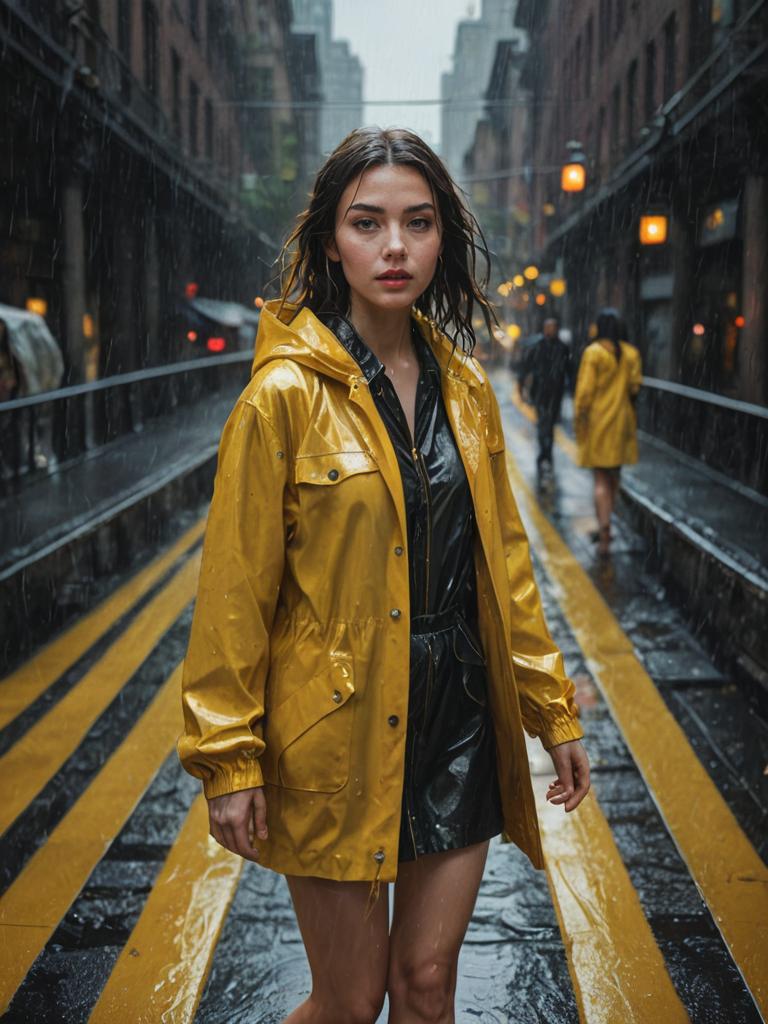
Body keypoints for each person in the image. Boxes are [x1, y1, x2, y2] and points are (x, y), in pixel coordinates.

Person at [178, 127, 590, 1024]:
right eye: (368, 223)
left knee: (429, 985)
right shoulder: (280, 396)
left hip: (458, 716)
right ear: (332, 239)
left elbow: (506, 565)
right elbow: (235, 591)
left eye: (418, 222)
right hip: (338, 722)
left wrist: (550, 710)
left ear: (444, 237)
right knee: (350, 999)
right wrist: (228, 757)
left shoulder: (468, 388)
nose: (395, 247)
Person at [574, 308, 643, 556]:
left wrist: (579, 420)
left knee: (600, 478)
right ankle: (608, 525)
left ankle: (604, 532)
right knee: (614, 477)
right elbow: (635, 387)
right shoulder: (631, 353)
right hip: (623, 423)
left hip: (599, 422)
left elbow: (584, 394)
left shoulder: (593, 353)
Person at [516, 317, 572, 476]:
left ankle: (547, 453)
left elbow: (569, 369)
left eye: (553, 327)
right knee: (542, 424)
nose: (550, 330)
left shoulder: (562, 348)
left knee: (551, 424)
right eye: (548, 327)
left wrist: (570, 388)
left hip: (556, 392)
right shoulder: (537, 347)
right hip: (539, 391)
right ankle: (544, 454)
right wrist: (521, 386)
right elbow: (525, 367)